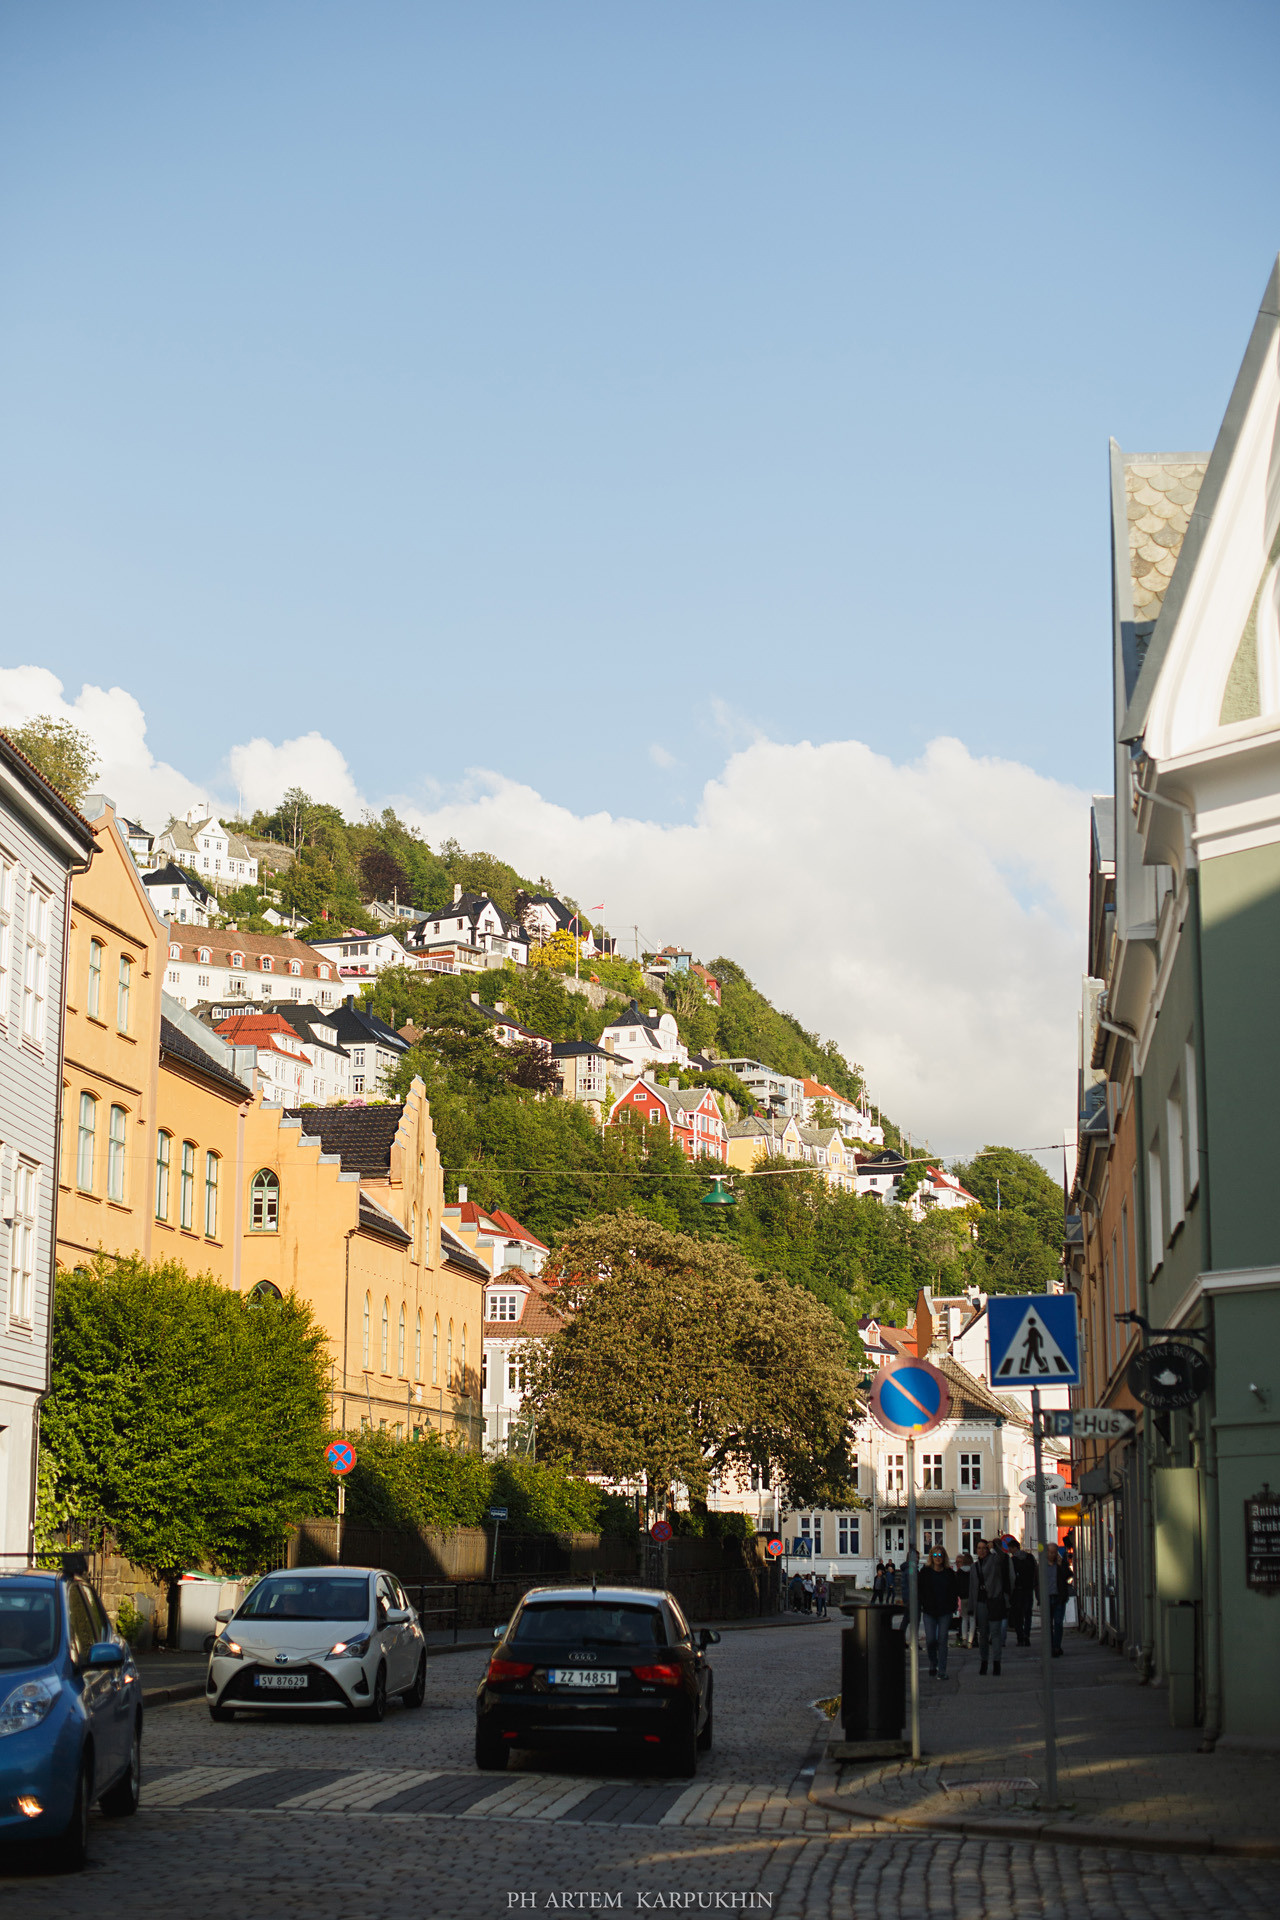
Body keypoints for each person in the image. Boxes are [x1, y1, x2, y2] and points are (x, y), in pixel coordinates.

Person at [969, 1538, 1013, 1675]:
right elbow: (972, 1588)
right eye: (979, 1548)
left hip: (994, 1601)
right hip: (980, 1603)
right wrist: (971, 1607)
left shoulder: (994, 1561)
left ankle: (996, 1663)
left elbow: (1003, 1557)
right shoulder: (973, 1567)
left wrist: (995, 1546)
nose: (981, 1551)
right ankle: (983, 1661)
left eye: (984, 1548)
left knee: (995, 1633)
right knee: (983, 1634)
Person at [917, 1547, 960, 1679]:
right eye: (935, 1555)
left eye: (940, 1555)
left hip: (944, 1611)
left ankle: (942, 1670)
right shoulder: (925, 1573)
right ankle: (933, 1661)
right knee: (930, 1640)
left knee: (942, 1639)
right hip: (929, 1611)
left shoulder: (949, 1573)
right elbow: (919, 1590)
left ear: (944, 1557)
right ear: (931, 1556)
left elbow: (954, 1590)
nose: (937, 1557)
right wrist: (922, 1603)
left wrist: (953, 1607)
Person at [1044, 1542, 1071, 1656]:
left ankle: (1056, 1646)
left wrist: (1062, 1565)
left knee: (1058, 1623)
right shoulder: (1042, 1566)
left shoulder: (1060, 1564)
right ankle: (1050, 1647)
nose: (1052, 1554)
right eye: (1050, 1552)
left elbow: (1069, 1575)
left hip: (1059, 1598)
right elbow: (1036, 1582)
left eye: (1054, 1552)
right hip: (1047, 1598)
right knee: (1048, 1625)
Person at [1009, 1542, 1037, 1647]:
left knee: (1018, 1615)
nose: (1010, 1551)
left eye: (1010, 1549)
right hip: (1028, 1589)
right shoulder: (1030, 1557)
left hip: (1017, 1590)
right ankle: (1027, 1635)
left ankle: (1020, 1637)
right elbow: (1035, 1571)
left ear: (1014, 1548)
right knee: (1028, 1614)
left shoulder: (1012, 1560)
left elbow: (1011, 1576)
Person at [954, 1550, 974, 1645]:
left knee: (964, 1618)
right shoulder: (973, 1571)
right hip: (972, 1598)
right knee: (972, 1619)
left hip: (963, 1598)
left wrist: (959, 1594)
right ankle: (971, 1640)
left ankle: (964, 1639)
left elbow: (957, 1585)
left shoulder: (959, 1572)